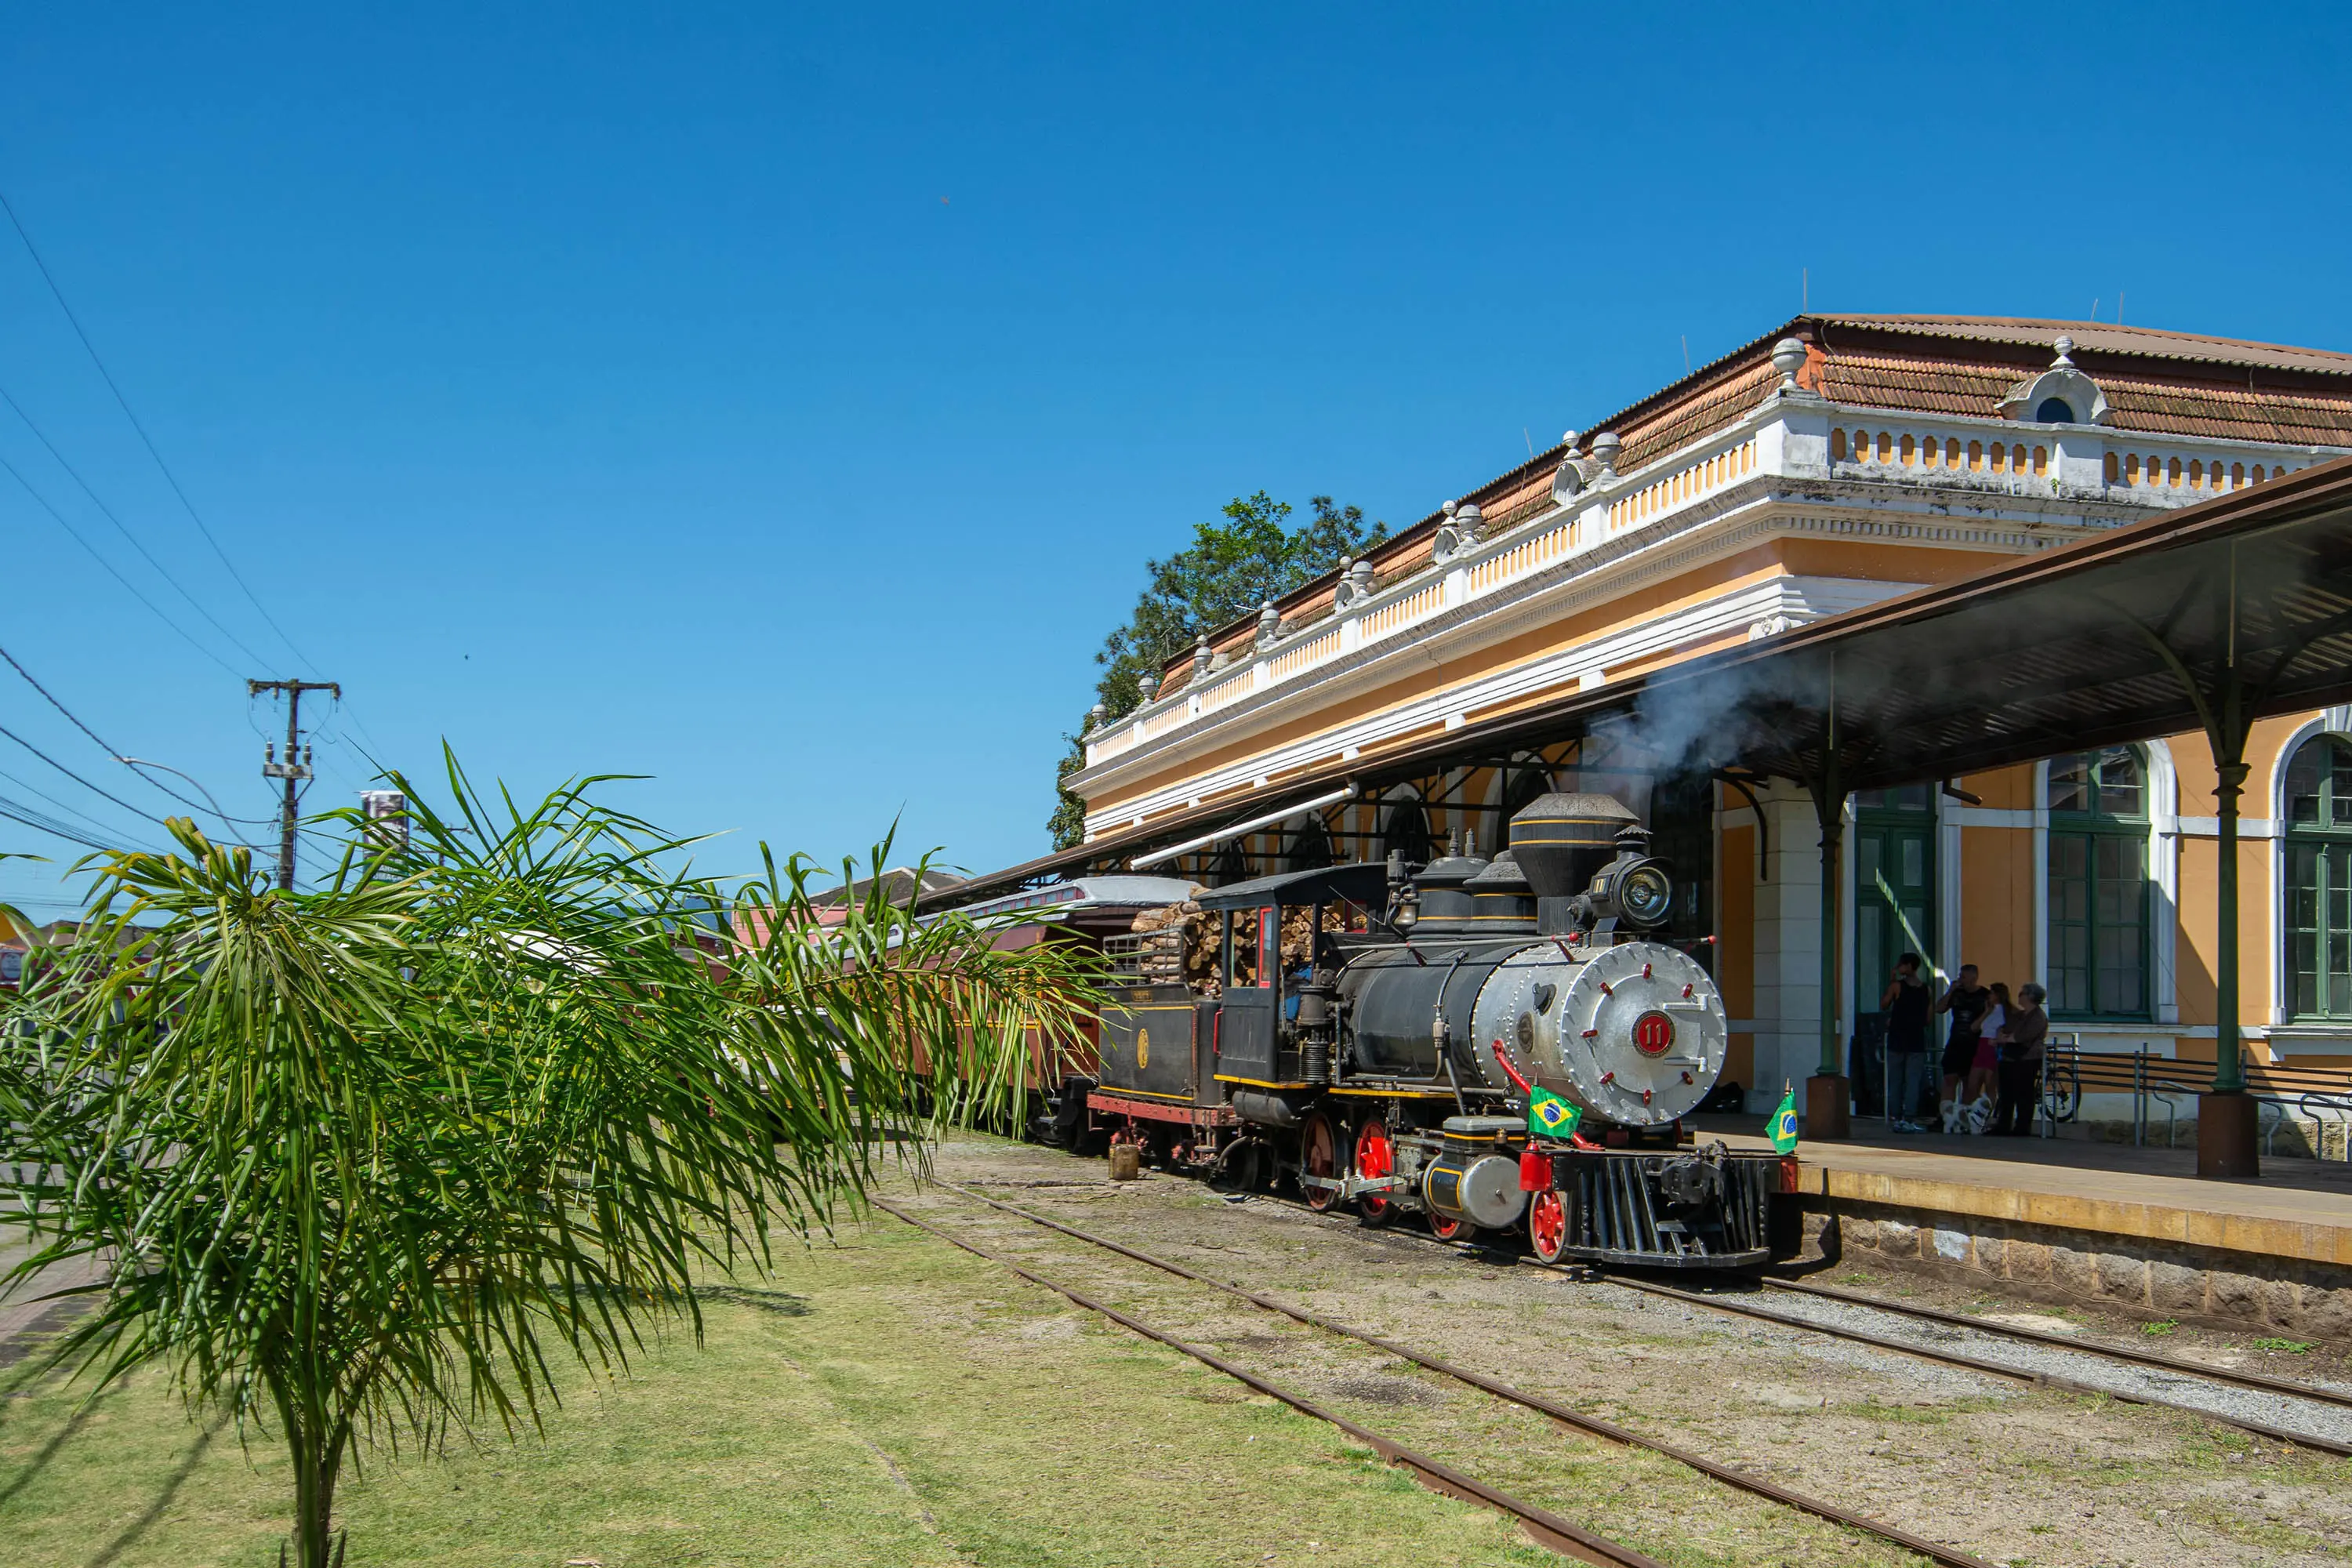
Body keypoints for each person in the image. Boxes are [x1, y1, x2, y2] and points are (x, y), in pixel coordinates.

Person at [1880, 953, 1933, 1132]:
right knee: (1913, 1080)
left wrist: (1891, 981)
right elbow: (1928, 1018)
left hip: (1897, 1037)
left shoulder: (1897, 987)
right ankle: (1910, 1115)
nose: (1899, 968)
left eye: (1901, 965)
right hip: (1917, 1038)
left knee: (1895, 1079)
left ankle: (1896, 1115)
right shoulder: (1926, 989)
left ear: (1909, 966)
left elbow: (1884, 1004)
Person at [1934, 963, 1990, 1124]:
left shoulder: (1984, 995)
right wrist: (1950, 991)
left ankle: (1966, 1115)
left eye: (1964, 977)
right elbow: (1939, 1008)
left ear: (1974, 978)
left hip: (1973, 1044)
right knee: (1950, 1078)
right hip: (1955, 1042)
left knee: (1969, 1083)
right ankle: (1946, 1115)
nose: (1961, 980)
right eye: (1960, 976)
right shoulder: (1957, 994)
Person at [1993, 983, 2049, 1135]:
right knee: (2006, 1093)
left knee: (2023, 1093)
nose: (2019, 996)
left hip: (2027, 1058)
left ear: (2030, 996)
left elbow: (2022, 1036)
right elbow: (2005, 1028)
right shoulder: (2019, 1015)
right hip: (2009, 1057)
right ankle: (2003, 1124)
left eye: (2022, 993)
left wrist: (2007, 1038)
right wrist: (2004, 1035)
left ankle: (2022, 1127)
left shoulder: (2038, 1016)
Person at [1962, 982, 2013, 1129]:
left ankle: (1986, 1116)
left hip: (1993, 1047)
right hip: (1982, 1045)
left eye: (1991, 993)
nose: (1989, 996)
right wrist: (1986, 1012)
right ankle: (1974, 1113)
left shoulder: (2006, 1012)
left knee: (1990, 1084)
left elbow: (2007, 1028)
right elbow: (1974, 1027)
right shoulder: (1989, 1011)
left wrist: (1999, 1039)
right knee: (1973, 1083)